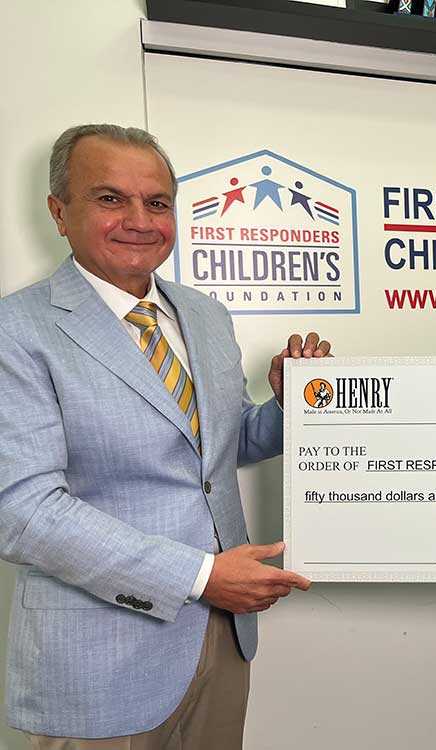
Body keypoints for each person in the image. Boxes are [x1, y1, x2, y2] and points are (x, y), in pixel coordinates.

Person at [0, 124, 331, 748]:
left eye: (157, 203)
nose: (139, 220)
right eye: (109, 198)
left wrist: (292, 405)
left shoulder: (204, 313)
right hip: (102, 655)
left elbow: (223, 448)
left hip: (223, 637)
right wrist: (201, 575)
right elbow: (22, 510)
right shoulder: (17, 331)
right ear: (59, 212)